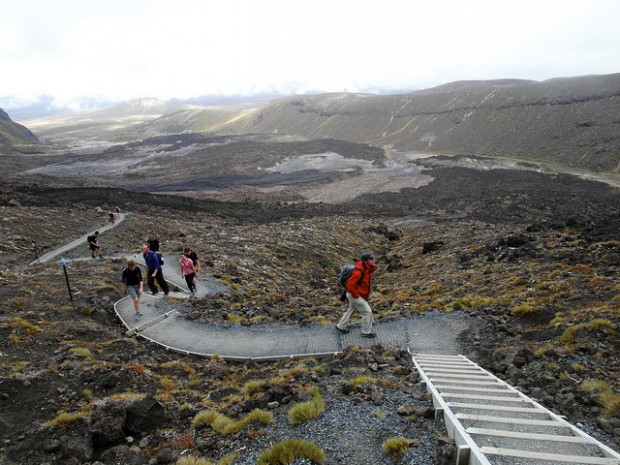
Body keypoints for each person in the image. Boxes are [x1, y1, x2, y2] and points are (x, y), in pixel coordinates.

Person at [336, 252, 379, 338]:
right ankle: (366, 332)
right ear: (366, 261)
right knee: (367, 312)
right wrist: (356, 295)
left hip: (354, 294)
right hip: (354, 295)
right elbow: (350, 285)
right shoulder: (358, 272)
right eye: (371, 259)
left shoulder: (365, 268)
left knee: (351, 309)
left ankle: (341, 326)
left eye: (373, 259)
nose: (373, 261)